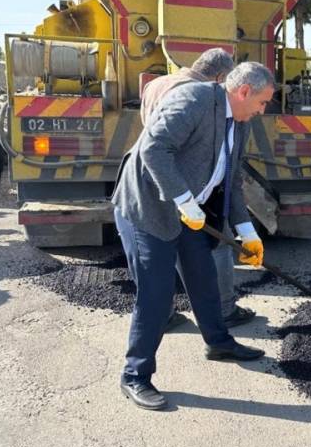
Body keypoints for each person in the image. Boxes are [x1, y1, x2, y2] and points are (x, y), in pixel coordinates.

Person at [113, 61, 274, 410]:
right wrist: (185, 200)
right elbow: (153, 149)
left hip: (190, 211)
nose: (263, 110)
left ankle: (218, 342)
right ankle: (135, 375)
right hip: (148, 206)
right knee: (156, 294)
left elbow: (230, 180)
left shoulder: (240, 123)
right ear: (244, 91)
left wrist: (247, 232)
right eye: (262, 102)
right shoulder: (195, 100)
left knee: (203, 275)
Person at [140, 48, 255, 331]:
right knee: (217, 247)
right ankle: (224, 309)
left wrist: (249, 232)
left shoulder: (156, 84)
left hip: (156, 185)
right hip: (188, 187)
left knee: (160, 255)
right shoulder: (198, 95)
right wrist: (188, 200)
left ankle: (163, 314)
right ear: (220, 78)